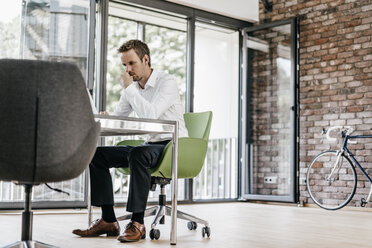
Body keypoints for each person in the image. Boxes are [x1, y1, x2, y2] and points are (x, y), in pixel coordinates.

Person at [72, 40, 187, 242]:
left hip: (173, 145)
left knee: (138, 154)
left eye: (132, 63)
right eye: (124, 65)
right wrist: (106, 118)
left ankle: (137, 223)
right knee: (97, 155)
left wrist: (129, 89)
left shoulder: (166, 82)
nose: (128, 70)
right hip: (149, 146)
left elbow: (150, 115)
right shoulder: (132, 88)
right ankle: (108, 219)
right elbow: (121, 118)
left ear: (145, 59)